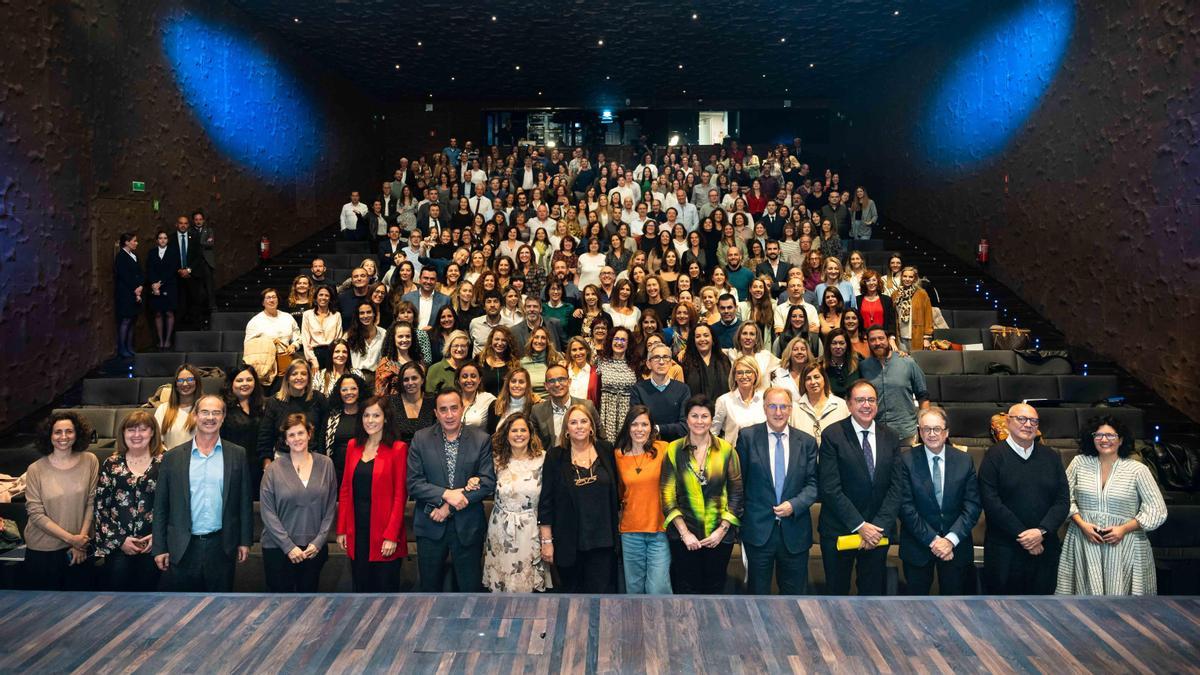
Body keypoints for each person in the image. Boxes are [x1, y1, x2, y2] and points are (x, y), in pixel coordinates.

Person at [1056, 416, 1167, 596]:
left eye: (1110, 435)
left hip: (1125, 543)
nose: (1104, 440)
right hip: (1084, 540)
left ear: (1121, 439)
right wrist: (1082, 525)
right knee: (1083, 605)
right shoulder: (1079, 463)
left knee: (1124, 608)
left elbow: (1157, 510)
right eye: (1098, 435)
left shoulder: (1138, 469)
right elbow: (1063, 499)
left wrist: (1123, 529)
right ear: (1092, 438)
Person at [152, 394, 253, 592]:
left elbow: (244, 501)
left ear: (223, 417)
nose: (210, 418)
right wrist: (159, 547)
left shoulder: (237, 454)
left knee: (219, 609)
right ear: (195, 416)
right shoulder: (173, 457)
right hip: (182, 546)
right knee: (183, 610)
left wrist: (244, 540)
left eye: (216, 412)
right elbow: (161, 505)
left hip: (222, 546)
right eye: (205, 412)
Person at [818, 380, 903, 596]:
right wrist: (859, 525)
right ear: (848, 404)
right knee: (837, 596)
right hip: (840, 529)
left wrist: (877, 527)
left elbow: (896, 487)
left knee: (873, 596)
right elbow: (830, 488)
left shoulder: (891, 436)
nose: (866, 405)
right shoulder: (832, 435)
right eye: (860, 400)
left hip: (877, 532)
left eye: (871, 400)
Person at [408, 387, 496, 592]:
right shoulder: (421, 439)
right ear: (436, 413)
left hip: (467, 527)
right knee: (429, 590)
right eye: (443, 410)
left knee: (469, 590)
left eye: (454, 408)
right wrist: (447, 495)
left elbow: (487, 482)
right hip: (430, 525)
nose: (449, 415)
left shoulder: (480, 439)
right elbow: (414, 483)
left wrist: (449, 507)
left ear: (463, 408)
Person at [979, 403, 1070, 595]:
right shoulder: (993, 456)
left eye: (1033, 421)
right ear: (1008, 422)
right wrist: (1024, 535)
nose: (1028, 424)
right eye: (1022, 419)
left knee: (1042, 613)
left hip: (1044, 548)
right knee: (1002, 612)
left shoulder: (1051, 456)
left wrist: (1041, 532)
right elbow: (991, 501)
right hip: (1004, 551)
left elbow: (1062, 501)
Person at [736, 387, 819, 595]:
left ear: (791, 409)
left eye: (783, 406)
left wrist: (795, 504)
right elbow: (739, 484)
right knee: (757, 598)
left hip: (795, 532)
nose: (778, 412)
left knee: (795, 600)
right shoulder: (747, 437)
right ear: (764, 408)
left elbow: (814, 484)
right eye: (773, 406)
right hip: (758, 533)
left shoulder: (807, 442)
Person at [660, 394, 743, 594]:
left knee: (714, 591)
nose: (699, 421)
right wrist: (685, 534)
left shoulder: (726, 450)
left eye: (704, 416)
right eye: (694, 416)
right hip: (683, 538)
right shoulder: (674, 449)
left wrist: (721, 531)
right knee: (686, 590)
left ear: (712, 419)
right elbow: (667, 495)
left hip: (719, 537)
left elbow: (736, 494)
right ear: (687, 419)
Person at [896, 407, 982, 595]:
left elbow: (972, 505)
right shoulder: (905, 460)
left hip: (956, 549)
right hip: (918, 548)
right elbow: (905, 507)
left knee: (957, 610)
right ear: (919, 431)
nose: (932, 434)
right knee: (915, 611)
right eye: (927, 429)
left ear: (946, 432)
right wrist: (934, 541)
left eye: (937, 429)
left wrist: (950, 540)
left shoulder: (964, 460)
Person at [538, 404, 620, 593]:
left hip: (603, 541)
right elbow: (546, 501)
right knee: (572, 599)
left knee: (601, 597)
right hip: (568, 542)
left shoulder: (607, 450)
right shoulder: (555, 456)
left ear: (592, 426)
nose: (579, 426)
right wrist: (546, 541)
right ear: (566, 429)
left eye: (584, 421)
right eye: (573, 422)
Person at [337, 397, 408, 592]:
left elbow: (400, 496)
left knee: (385, 593)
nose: (370, 420)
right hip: (357, 531)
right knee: (360, 590)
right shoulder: (353, 446)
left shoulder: (398, 449)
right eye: (366, 415)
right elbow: (344, 490)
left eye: (376, 415)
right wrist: (342, 528)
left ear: (385, 419)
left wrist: (392, 536)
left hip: (384, 534)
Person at [260, 414, 338, 593]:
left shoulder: (326, 464)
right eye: (291, 435)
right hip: (278, 549)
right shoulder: (273, 469)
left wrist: (318, 542)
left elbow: (330, 508)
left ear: (309, 434)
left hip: (313, 550)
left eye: (301, 433)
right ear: (285, 440)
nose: (297, 439)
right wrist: (289, 547)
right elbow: (267, 512)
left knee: (309, 608)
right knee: (279, 608)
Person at [24, 412, 100, 590]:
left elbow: (92, 502)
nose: (63, 437)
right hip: (43, 550)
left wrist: (80, 542)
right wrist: (72, 539)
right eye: (58, 432)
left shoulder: (90, 461)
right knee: (44, 609)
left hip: (80, 547)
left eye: (69, 431)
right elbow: (36, 514)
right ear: (49, 436)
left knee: (80, 610)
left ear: (77, 433)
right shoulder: (35, 469)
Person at [92, 410, 164, 591]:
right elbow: (101, 507)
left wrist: (159, 537)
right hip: (119, 546)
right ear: (123, 434)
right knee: (117, 602)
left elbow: (175, 504)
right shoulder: (112, 463)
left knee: (150, 601)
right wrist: (120, 540)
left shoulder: (166, 462)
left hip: (154, 545)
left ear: (153, 432)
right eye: (131, 430)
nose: (137, 435)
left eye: (143, 430)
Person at [482, 413, 552, 592]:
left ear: (530, 433)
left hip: (530, 530)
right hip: (500, 530)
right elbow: (485, 483)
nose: (519, 434)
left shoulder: (543, 459)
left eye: (523, 430)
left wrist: (546, 539)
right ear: (506, 434)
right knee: (501, 584)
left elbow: (549, 499)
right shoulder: (496, 459)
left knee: (527, 584)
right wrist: (474, 480)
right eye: (514, 430)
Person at [613, 406, 671, 594]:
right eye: (634, 424)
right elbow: (619, 492)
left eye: (644, 424)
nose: (639, 429)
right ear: (628, 428)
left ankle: (661, 624)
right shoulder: (618, 455)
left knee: (658, 588)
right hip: (630, 532)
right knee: (634, 588)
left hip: (659, 530)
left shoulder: (664, 449)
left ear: (652, 427)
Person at [858, 326, 929, 443]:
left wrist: (925, 425)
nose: (877, 343)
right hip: (875, 433)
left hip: (906, 433)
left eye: (881, 338)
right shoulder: (864, 367)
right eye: (872, 340)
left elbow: (923, 397)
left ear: (888, 340)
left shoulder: (908, 363)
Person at [258, 360, 327, 468]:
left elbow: (323, 433)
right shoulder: (274, 402)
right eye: (294, 374)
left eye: (303, 374)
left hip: (312, 458)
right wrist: (267, 464)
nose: (299, 377)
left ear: (309, 378)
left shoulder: (318, 399)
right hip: (283, 459)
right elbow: (265, 435)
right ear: (287, 378)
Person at [629, 342, 691, 442]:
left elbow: (685, 426)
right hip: (647, 445)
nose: (661, 362)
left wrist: (657, 429)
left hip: (676, 446)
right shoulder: (638, 389)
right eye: (656, 357)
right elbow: (637, 425)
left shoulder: (683, 389)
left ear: (671, 363)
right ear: (648, 364)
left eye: (666, 357)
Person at [530, 364, 597, 453]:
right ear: (546, 386)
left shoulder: (587, 406)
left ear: (569, 382)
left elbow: (601, 438)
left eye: (561, 379)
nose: (557, 384)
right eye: (552, 381)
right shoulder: (537, 411)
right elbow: (533, 444)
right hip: (550, 462)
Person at [221, 364, 265, 490]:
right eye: (239, 380)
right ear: (231, 384)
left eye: (249, 380)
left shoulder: (263, 405)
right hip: (232, 467)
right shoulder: (223, 407)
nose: (245, 383)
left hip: (258, 467)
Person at [596, 326, 639, 442]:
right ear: (611, 341)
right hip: (607, 409)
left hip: (627, 409)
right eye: (616, 339)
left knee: (626, 444)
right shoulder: (601, 360)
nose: (619, 343)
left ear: (628, 343)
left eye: (623, 340)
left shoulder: (635, 363)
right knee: (607, 446)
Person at [713, 356, 766, 449]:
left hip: (762, 455)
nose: (744, 376)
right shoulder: (724, 401)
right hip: (734, 457)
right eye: (739, 373)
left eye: (748, 372)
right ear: (734, 376)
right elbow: (713, 433)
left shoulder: (765, 399)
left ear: (756, 374)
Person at [790, 363, 850, 444]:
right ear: (803, 383)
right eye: (808, 379)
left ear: (824, 379)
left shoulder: (841, 405)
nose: (813, 382)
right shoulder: (794, 408)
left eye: (816, 377)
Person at [324, 373, 365, 486]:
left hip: (363, 471)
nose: (349, 393)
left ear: (360, 390)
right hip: (336, 473)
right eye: (344, 389)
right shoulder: (331, 417)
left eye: (353, 388)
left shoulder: (367, 415)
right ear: (339, 393)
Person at [244, 288, 301, 363]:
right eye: (268, 298)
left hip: (286, 359)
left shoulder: (287, 317)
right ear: (263, 303)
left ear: (278, 300)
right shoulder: (255, 321)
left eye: (274, 297)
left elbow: (297, 336)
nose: (272, 300)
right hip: (264, 361)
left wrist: (294, 345)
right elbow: (249, 345)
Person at [145, 228, 180, 349]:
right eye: (160, 238)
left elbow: (172, 270)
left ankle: (168, 340)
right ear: (157, 240)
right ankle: (160, 340)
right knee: (158, 313)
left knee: (169, 312)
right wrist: (154, 284)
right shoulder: (152, 252)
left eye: (165, 238)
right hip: (155, 287)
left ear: (167, 240)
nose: (163, 240)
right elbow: (149, 269)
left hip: (169, 286)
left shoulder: (173, 252)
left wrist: (160, 283)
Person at [680, 323, 731, 404]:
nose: (702, 339)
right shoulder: (685, 362)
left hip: (722, 410)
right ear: (693, 340)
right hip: (695, 411)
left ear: (712, 339)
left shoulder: (723, 360)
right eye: (698, 336)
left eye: (706, 335)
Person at [155, 364, 201, 449]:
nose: (185, 384)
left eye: (190, 379)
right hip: (171, 459)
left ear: (197, 382)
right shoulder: (163, 409)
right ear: (175, 384)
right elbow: (156, 442)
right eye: (180, 380)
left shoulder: (205, 409)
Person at [392, 361, 437, 443]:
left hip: (427, 450)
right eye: (406, 379)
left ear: (422, 380)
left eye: (414, 378)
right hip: (400, 452)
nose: (410, 383)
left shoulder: (433, 400)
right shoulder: (392, 402)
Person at [892, 266, 934, 352]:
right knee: (903, 363)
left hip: (917, 336)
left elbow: (928, 316)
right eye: (905, 276)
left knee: (916, 362)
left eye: (910, 277)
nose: (907, 279)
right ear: (901, 277)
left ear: (915, 279)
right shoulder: (895, 294)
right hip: (900, 337)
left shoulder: (922, 294)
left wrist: (927, 338)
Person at [301, 286, 343, 371]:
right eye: (321, 295)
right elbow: (305, 340)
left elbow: (338, 338)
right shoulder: (307, 315)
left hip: (332, 354)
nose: (323, 297)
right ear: (316, 297)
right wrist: (313, 360)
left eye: (326, 295)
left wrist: (335, 357)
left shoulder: (337, 315)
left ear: (330, 298)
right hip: (314, 354)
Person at [425, 330, 473, 395]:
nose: (459, 349)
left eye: (463, 346)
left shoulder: (471, 368)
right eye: (456, 346)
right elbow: (429, 397)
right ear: (449, 347)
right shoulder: (435, 369)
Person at [822, 329, 861, 399]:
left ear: (847, 345)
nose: (838, 347)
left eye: (841, 343)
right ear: (828, 345)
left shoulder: (858, 362)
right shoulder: (821, 366)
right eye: (834, 343)